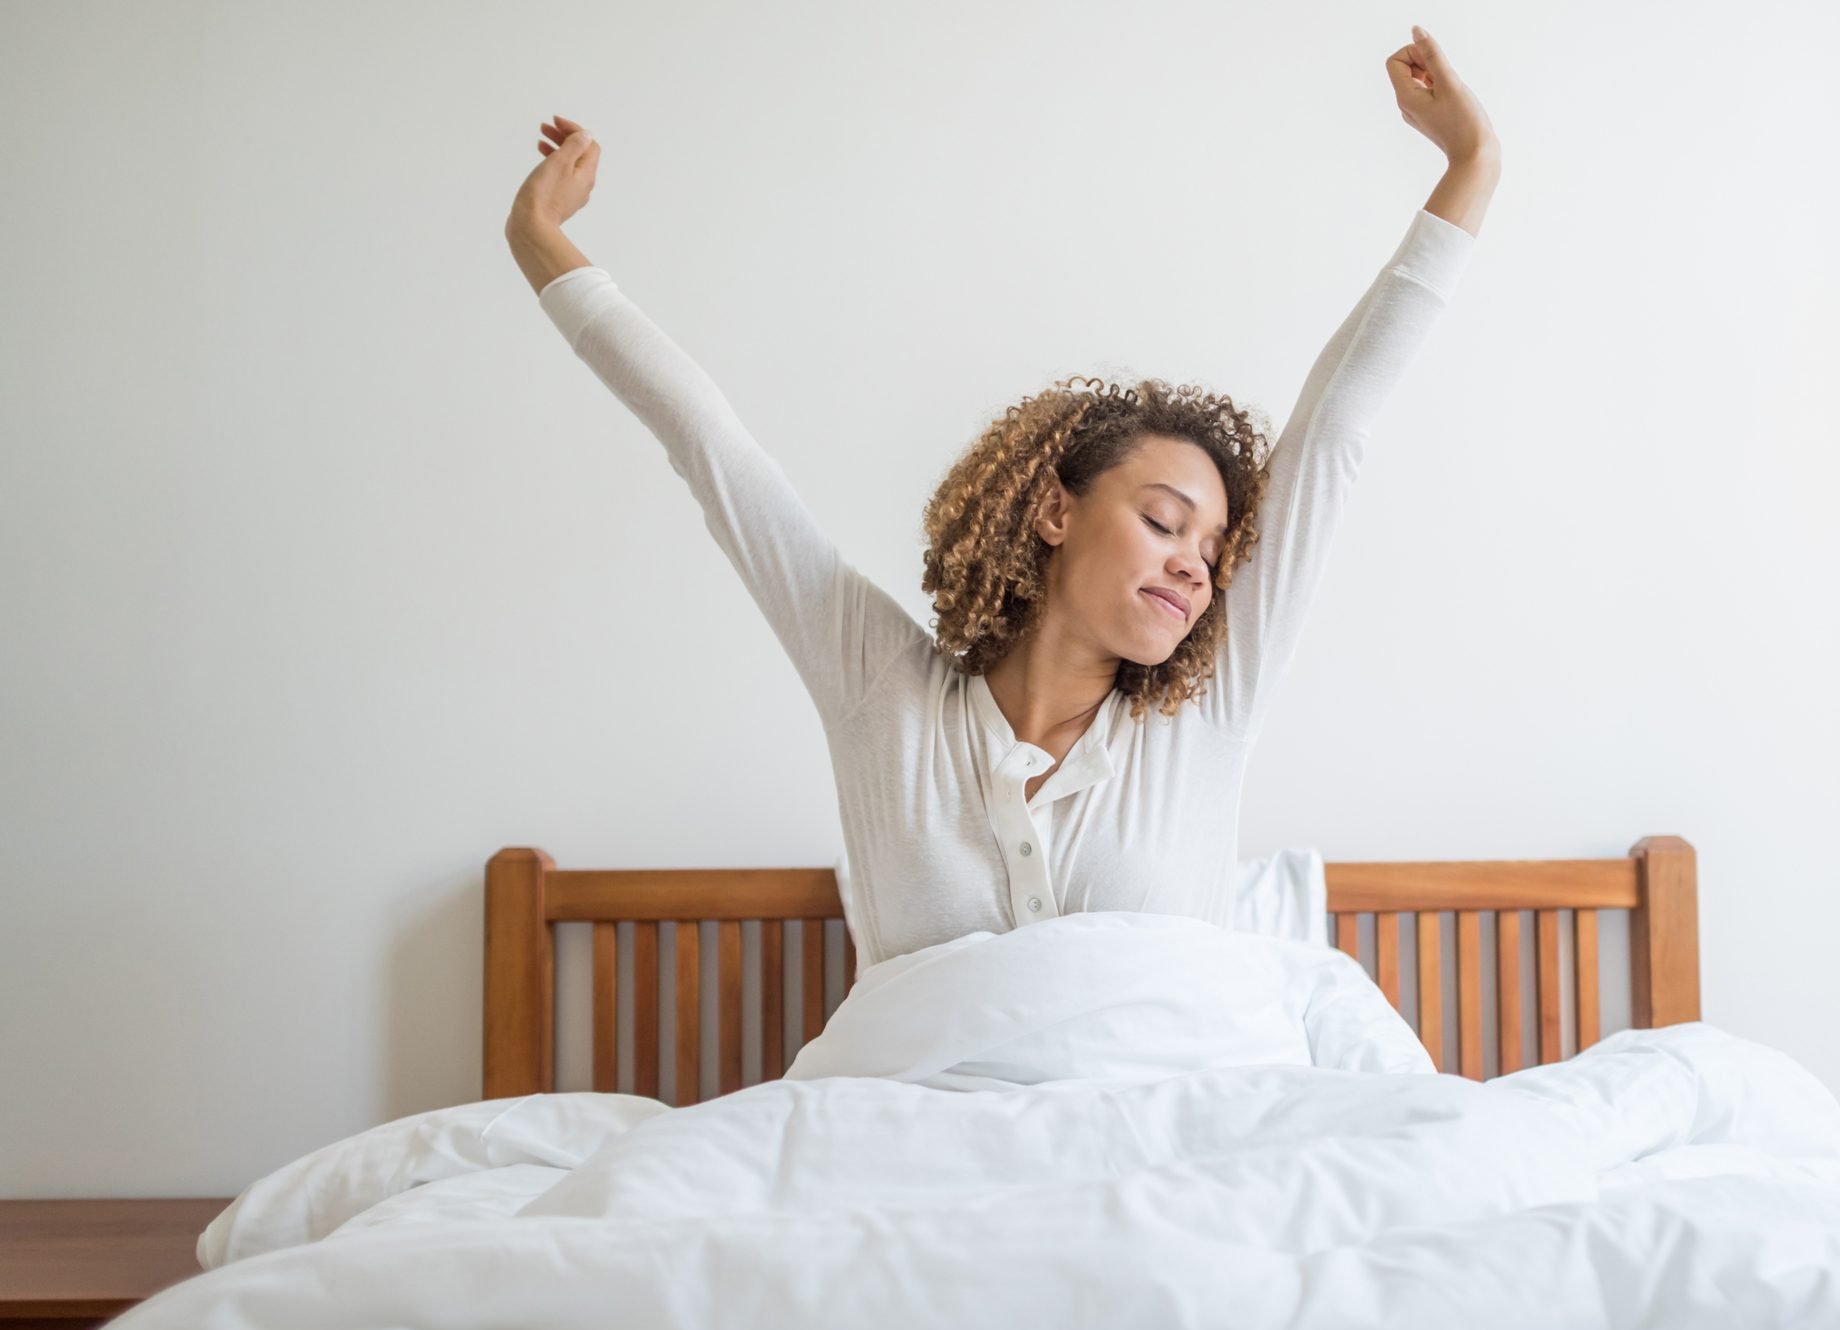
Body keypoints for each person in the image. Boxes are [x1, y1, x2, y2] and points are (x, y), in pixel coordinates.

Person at [503, 26, 1499, 969]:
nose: (1195, 564)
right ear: (1054, 511)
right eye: (1161, 520)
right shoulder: (880, 691)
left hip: (1168, 1138)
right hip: (926, 1135)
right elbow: (710, 447)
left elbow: (1334, 432)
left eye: (1210, 546)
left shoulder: (1207, 710)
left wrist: (1472, 168)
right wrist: (539, 239)